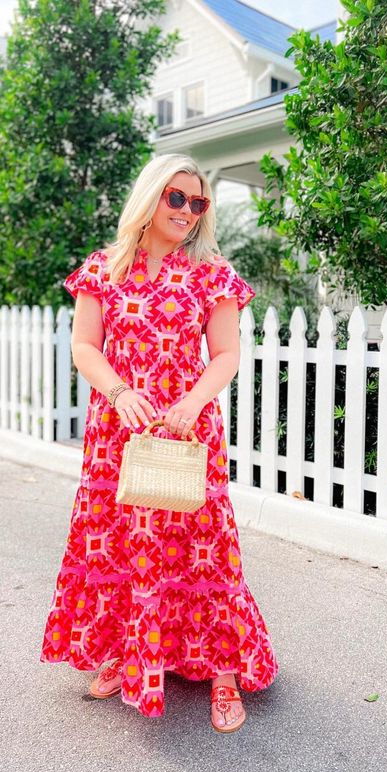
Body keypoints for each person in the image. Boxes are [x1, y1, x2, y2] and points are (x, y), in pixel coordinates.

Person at [40, 152, 279, 733]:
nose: (188, 211)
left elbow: (225, 354)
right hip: (115, 431)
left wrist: (192, 403)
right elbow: (84, 348)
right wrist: (120, 393)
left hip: (187, 427)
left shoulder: (211, 273)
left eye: (198, 203)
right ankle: (128, 650)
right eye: (177, 197)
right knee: (120, 543)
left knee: (204, 546)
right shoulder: (103, 269)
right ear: (149, 199)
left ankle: (224, 672)